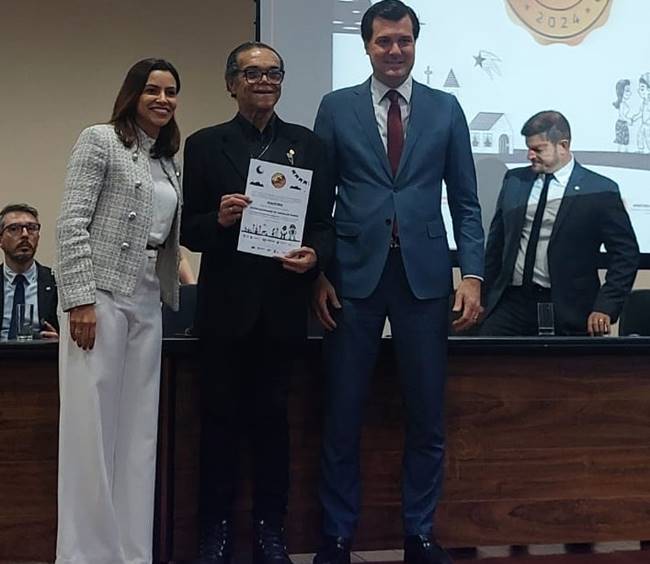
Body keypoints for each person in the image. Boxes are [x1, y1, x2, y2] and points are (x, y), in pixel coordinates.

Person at [311, 2, 484, 563]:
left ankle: (420, 534)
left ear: (415, 44)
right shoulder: (335, 107)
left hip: (425, 280)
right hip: (352, 279)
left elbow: (466, 201)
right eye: (384, 41)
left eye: (404, 40)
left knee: (427, 415)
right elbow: (318, 200)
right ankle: (337, 536)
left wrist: (472, 275)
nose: (395, 50)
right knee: (343, 413)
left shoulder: (445, 108)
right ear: (366, 46)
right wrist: (319, 273)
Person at [181, 42, 334, 564]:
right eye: (252, 73)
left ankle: (272, 532)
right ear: (231, 84)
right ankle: (215, 534)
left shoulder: (308, 146)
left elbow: (324, 224)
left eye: (273, 73)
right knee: (218, 425)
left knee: (274, 426)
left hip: (282, 309)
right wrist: (218, 220)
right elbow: (189, 230)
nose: (264, 81)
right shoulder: (205, 145)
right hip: (225, 311)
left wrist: (315, 255)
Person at [55, 58, 182, 564]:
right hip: (101, 294)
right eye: (152, 90)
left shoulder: (167, 159)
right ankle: (85, 554)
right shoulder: (100, 140)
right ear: (133, 94)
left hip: (148, 295)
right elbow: (71, 223)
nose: (163, 99)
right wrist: (80, 298)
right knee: (91, 430)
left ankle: (132, 553)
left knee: (138, 432)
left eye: (171, 91)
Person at [480, 110, 639, 337]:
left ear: (563, 146)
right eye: (528, 148)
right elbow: (497, 243)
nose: (530, 155)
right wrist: (484, 296)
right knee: (487, 354)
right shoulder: (515, 180)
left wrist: (606, 306)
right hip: (511, 304)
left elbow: (625, 254)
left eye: (538, 149)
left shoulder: (600, 190)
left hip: (569, 307)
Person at [0, 203, 58, 339]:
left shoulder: (56, 281)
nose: (25, 234)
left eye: (32, 228)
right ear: (1, 239)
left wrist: (60, 342)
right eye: (14, 229)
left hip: (42, 351)